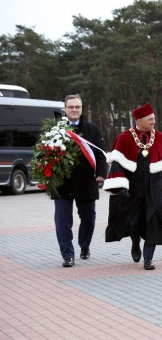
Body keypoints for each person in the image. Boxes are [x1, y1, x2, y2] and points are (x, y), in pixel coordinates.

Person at [103, 103, 162, 270]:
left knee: (153, 221)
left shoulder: (159, 137)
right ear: (139, 120)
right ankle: (135, 242)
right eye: (150, 119)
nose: (153, 121)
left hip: (154, 188)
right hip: (133, 190)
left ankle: (148, 258)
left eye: (154, 118)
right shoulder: (124, 137)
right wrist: (120, 185)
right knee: (134, 222)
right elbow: (116, 164)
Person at [54, 94, 107, 267]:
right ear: (65, 109)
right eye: (71, 107)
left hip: (86, 183)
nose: (75, 110)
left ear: (82, 108)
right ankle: (68, 255)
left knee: (88, 219)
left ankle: (84, 245)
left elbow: (100, 154)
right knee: (63, 221)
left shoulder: (92, 130)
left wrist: (101, 173)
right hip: (62, 183)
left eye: (78, 106)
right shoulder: (55, 130)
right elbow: (44, 154)